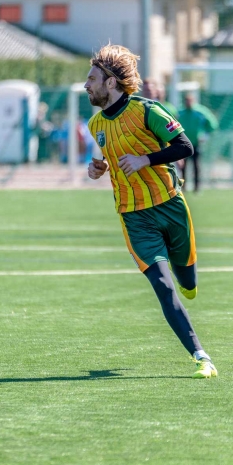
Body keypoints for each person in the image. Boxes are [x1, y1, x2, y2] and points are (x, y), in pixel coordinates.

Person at [85, 44, 217, 379]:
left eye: (92, 78)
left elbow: (184, 146)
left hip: (170, 205)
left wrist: (145, 160)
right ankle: (202, 356)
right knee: (164, 287)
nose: (86, 85)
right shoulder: (95, 124)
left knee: (187, 282)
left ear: (112, 83)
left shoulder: (148, 111)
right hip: (134, 216)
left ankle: (188, 276)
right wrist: (100, 167)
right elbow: (111, 156)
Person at [177, 93, 218, 192]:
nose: (188, 103)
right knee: (183, 166)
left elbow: (212, 124)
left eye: (190, 100)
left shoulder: (201, 112)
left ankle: (197, 187)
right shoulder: (180, 112)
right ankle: (184, 186)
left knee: (196, 165)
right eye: (186, 101)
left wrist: (205, 136)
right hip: (184, 143)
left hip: (196, 143)